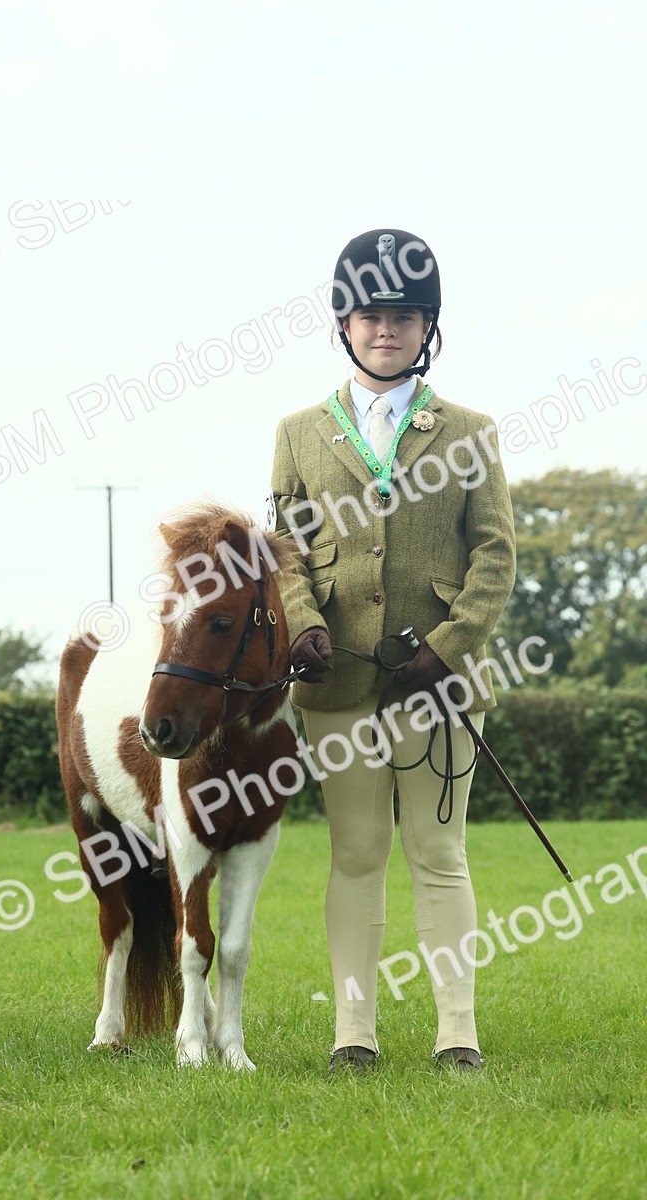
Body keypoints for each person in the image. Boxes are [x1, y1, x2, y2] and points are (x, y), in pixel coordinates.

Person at [269, 228, 517, 1072]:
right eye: (372, 316)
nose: (387, 330)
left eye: (405, 318)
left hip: (437, 685)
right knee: (357, 854)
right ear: (344, 324)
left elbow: (496, 555)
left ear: (428, 329)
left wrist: (450, 648)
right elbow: (288, 549)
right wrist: (302, 619)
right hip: (339, 681)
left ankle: (458, 1031)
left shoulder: (471, 432)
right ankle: (354, 1032)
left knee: (439, 853)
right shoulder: (299, 433)